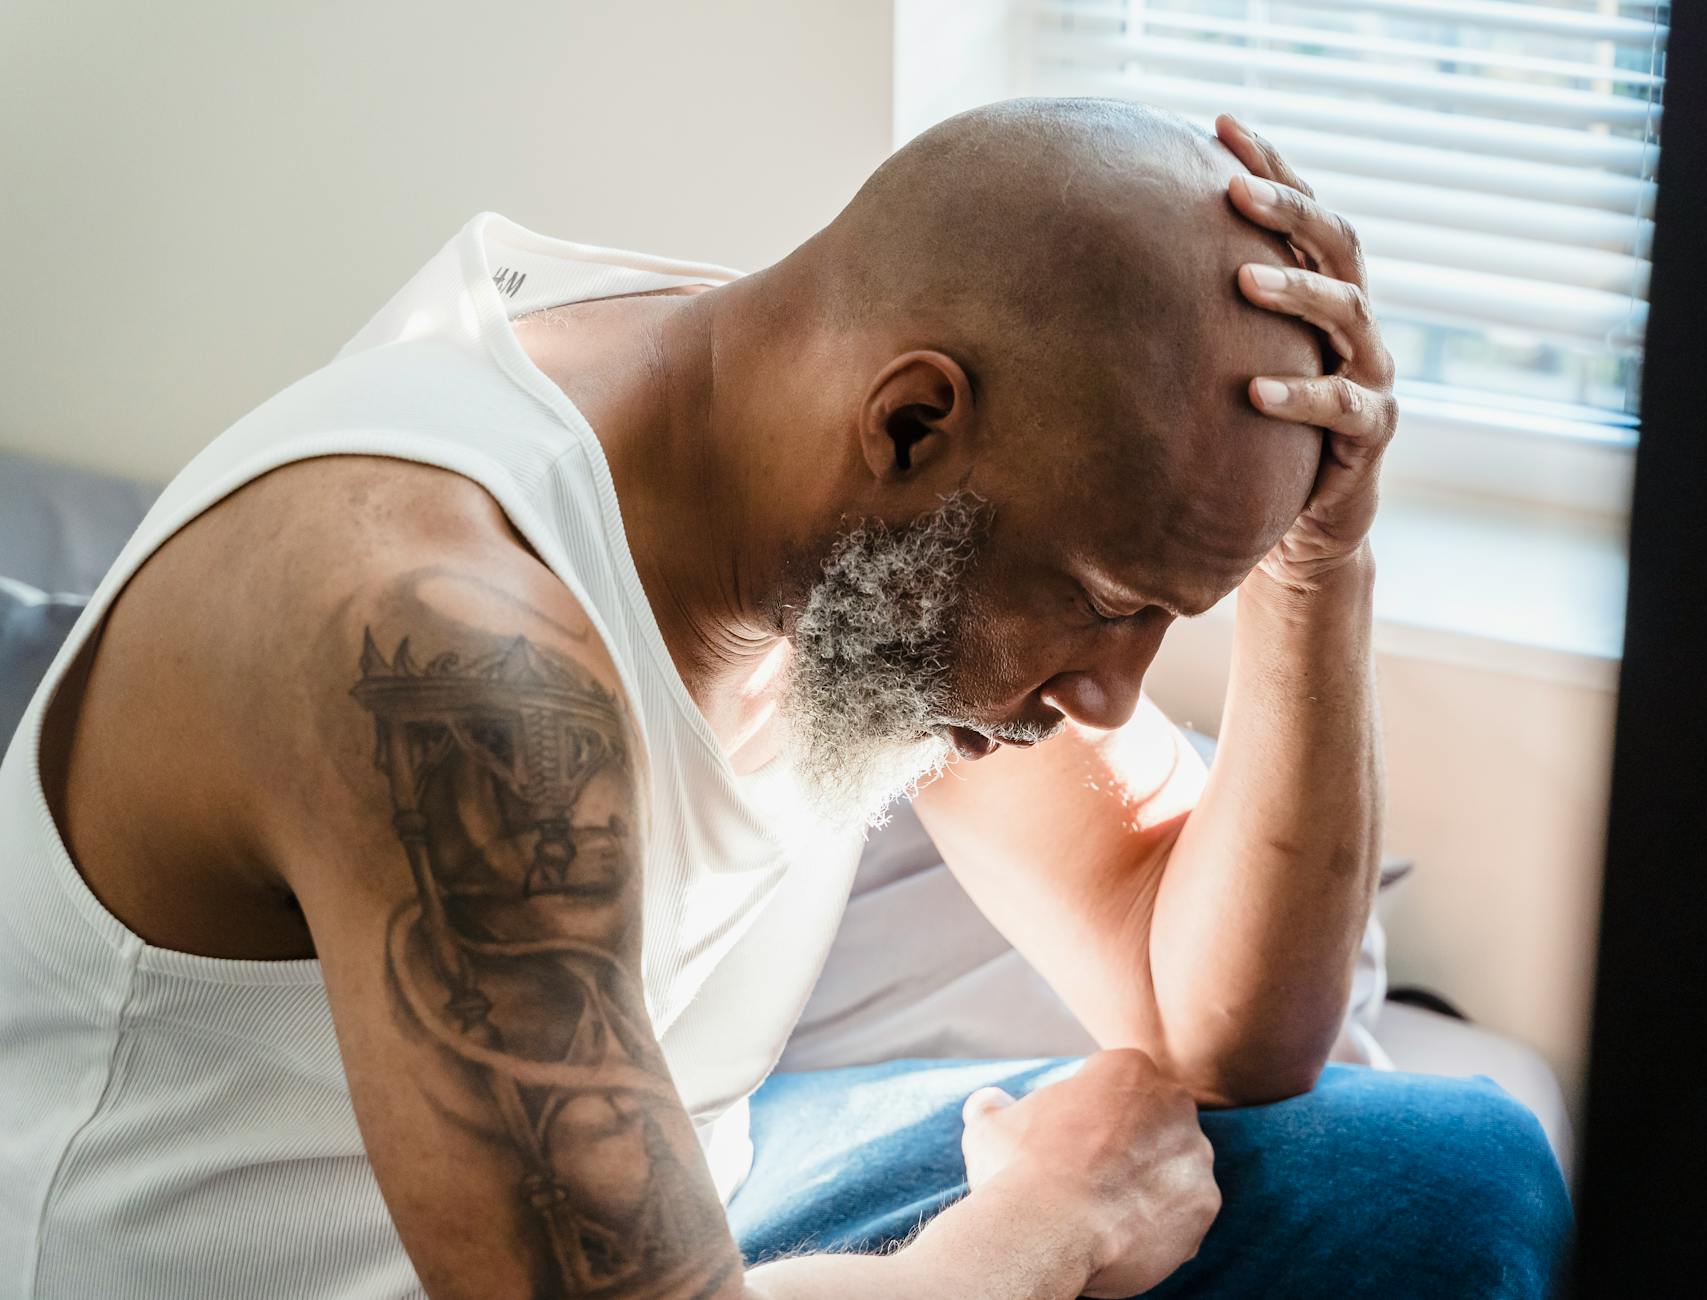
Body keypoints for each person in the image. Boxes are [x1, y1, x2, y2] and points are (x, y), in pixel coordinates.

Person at [0, 99, 1568, 1297]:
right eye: (1104, 605)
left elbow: (1221, 1029)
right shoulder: (441, 654)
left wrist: (1322, 567)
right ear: (908, 428)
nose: (1106, 698)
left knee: (1454, 1173)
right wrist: (1033, 1235)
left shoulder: (836, 483)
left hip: (692, 1200)